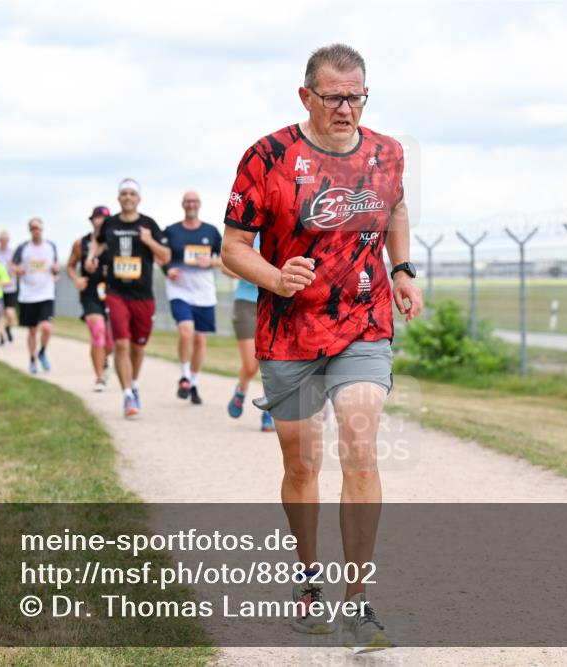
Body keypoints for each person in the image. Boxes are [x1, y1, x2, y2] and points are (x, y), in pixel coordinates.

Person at [221, 44, 422, 651]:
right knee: (302, 463)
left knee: (361, 444)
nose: (345, 107)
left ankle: (358, 601)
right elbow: (233, 247)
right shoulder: (269, 156)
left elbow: (396, 209)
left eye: (355, 95)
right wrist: (275, 276)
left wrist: (404, 269)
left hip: (362, 320)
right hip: (289, 332)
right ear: (305, 96)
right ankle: (309, 577)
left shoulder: (388, 152)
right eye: (333, 95)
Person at [86, 179, 170, 418]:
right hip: (116, 292)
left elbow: (165, 256)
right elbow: (98, 243)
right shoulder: (110, 224)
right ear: (118, 198)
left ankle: (133, 383)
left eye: (132, 194)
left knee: (137, 346)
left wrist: (148, 240)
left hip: (143, 295)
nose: (128, 197)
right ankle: (127, 396)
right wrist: (91, 258)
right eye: (124, 194)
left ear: (138, 199)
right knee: (121, 343)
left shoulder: (148, 224)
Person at [161, 191, 222, 405]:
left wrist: (212, 262)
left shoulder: (211, 231)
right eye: (188, 201)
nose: (191, 204)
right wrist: (168, 269)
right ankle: (185, 375)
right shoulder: (171, 231)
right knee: (186, 330)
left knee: (200, 339)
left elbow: (226, 257)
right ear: (182, 204)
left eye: (194, 201)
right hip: (179, 290)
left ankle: (194, 382)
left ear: (200, 204)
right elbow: (161, 256)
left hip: (204, 291)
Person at [223, 234, 275, 432]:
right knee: (251, 365)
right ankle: (241, 390)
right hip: (246, 303)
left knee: (272, 363)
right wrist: (254, 273)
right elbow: (225, 265)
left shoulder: (284, 230)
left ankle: (269, 412)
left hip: (274, 303)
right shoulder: (247, 234)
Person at [67, 205, 115, 392]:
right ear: (92, 220)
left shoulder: (115, 242)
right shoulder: (81, 243)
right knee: (98, 332)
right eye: (97, 218)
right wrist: (77, 279)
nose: (101, 222)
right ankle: (99, 378)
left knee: (111, 342)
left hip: (112, 292)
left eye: (104, 218)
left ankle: (104, 359)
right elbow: (70, 266)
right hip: (90, 293)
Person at [11, 218, 59, 374]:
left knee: (47, 327)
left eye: (38, 227)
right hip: (28, 294)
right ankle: (32, 360)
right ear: (30, 230)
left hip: (46, 293)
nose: (36, 230)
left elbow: (55, 267)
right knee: (32, 331)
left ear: (42, 229)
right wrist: (17, 270)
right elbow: (13, 265)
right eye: (33, 228)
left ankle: (42, 352)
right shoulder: (23, 248)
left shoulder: (50, 246)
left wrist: (56, 273)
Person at [0, 231, 18, 344]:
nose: (4, 241)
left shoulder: (13, 253)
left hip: (10, 288)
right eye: (2, 239)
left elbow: (14, 270)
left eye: (6, 239)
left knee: (10, 314)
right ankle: (1, 337)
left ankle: (8, 327)